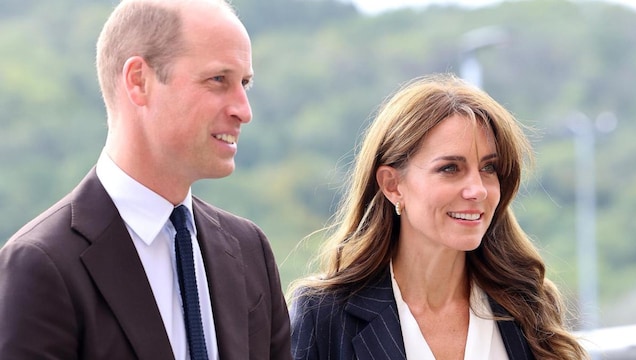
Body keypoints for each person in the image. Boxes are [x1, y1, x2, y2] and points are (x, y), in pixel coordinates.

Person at [0, 0, 292, 359]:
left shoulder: (250, 250)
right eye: (218, 80)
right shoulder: (41, 264)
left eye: (244, 83)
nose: (243, 110)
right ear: (139, 81)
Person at [288, 74, 587, 360]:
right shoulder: (324, 315)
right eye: (450, 168)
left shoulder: (528, 304)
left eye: (489, 168)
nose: (477, 190)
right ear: (393, 185)